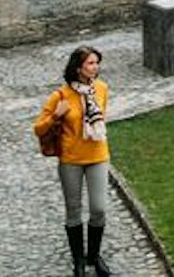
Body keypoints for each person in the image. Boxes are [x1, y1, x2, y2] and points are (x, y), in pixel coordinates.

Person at [35, 45, 112, 277]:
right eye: (90, 63)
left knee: (99, 209)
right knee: (73, 210)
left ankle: (94, 256)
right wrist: (57, 116)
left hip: (98, 155)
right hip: (71, 159)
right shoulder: (60, 95)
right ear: (78, 68)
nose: (95, 67)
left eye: (96, 62)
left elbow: (100, 118)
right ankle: (78, 261)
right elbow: (38, 128)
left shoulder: (101, 89)